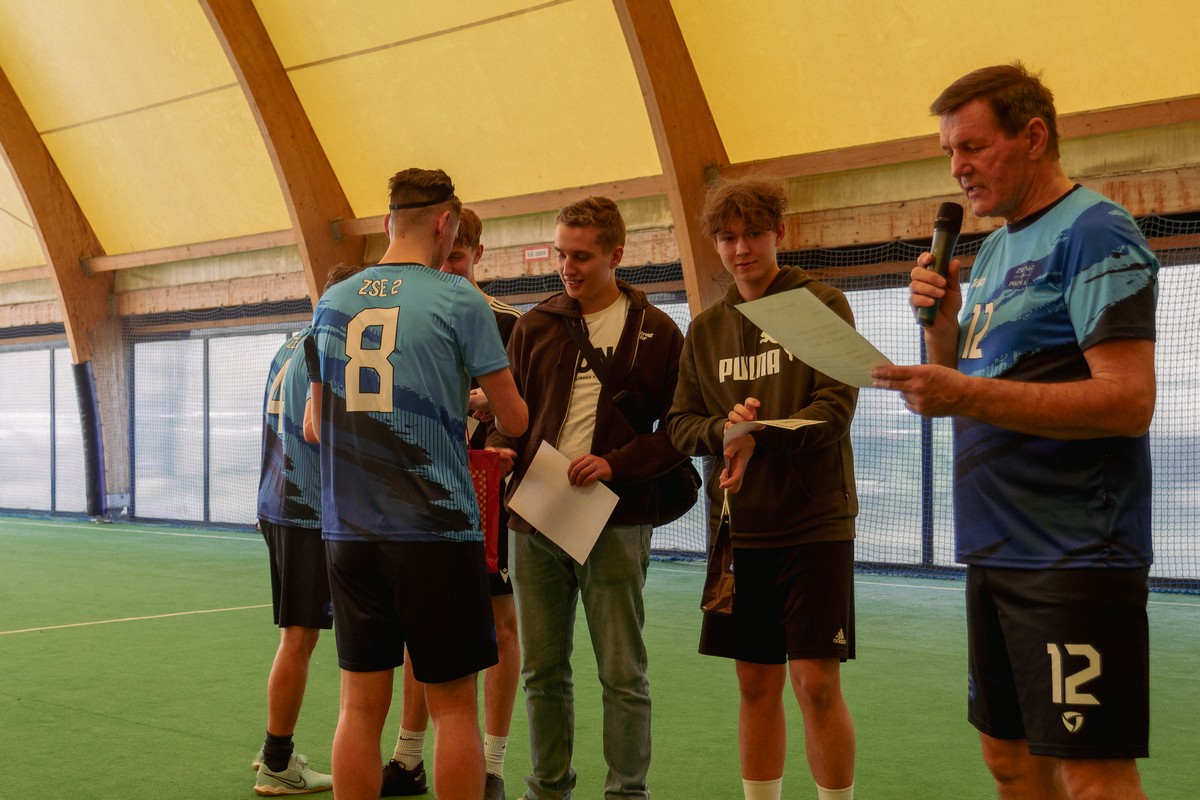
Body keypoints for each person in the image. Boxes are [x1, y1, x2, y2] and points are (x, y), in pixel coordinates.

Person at [871, 63, 1159, 800]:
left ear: (1033, 137)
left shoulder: (1096, 231)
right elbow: (960, 390)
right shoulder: (997, 248)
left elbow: (1128, 401)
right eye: (949, 153)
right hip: (994, 543)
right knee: (1009, 759)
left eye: (972, 147)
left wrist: (962, 388)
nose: (957, 168)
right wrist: (942, 330)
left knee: (1090, 773)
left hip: (1075, 552)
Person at [306, 168, 528, 800]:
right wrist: (470, 402)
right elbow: (515, 420)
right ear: (445, 224)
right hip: (436, 529)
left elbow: (317, 425)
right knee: (453, 708)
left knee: (358, 706)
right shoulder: (459, 298)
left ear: (387, 222)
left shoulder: (333, 300)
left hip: (348, 531)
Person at [666, 176, 858, 800]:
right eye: (727, 237)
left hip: (814, 525)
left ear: (779, 232)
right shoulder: (705, 329)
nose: (741, 248)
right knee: (755, 683)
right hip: (737, 532)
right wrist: (724, 432)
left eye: (753, 233)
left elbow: (835, 409)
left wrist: (759, 434)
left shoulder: (821, 305)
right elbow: (679, 424)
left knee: (816, 683)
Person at [487, 196, 685, 800]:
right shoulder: (534, 325)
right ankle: (547, 789)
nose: (567, 268)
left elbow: (679, 430)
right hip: (535, 516)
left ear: (615, 255)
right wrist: (500, 449)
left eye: (581, 257)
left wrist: (616, 464)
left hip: (616, 518)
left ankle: (627, 792)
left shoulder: (658, 332)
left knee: (623, 674)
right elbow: (512, 415)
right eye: (560, 255)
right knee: (540, 672)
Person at [381, 207, 524, 800]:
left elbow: (525, 413)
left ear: (476, 255)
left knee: (502, 626)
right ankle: (407, 755)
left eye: (458, 259)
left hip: (489, 502)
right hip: (422, 503)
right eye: (443, 257)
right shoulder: (408, 313)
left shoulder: (509, 324)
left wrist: (499, 446)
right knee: (419, 629)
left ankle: (492, 764)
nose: (446, 267)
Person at [253, 323, 335, 796]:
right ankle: (277, 762)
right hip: (306, 510)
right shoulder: (328, 347)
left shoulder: (289, 345)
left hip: (275, 500)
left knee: (296, 635)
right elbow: (315, 428)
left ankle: (273, 749)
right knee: (299, 638)